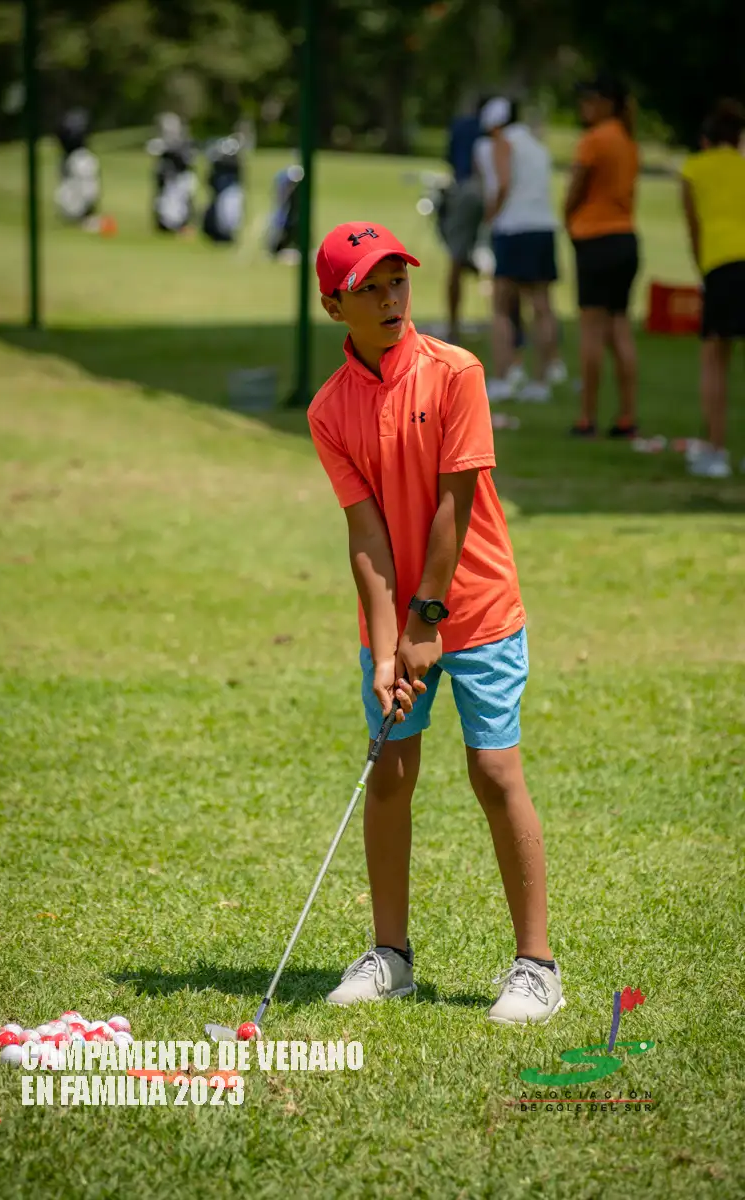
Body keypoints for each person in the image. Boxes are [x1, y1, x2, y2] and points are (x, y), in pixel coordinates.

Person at [307, 221, 564, 1026]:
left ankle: (537, 966)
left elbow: (455, 505)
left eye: (398, 282)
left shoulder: (456, 372)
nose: (391, 299)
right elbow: (366, 536)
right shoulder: (328, 410)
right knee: (389, 771)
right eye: (370, 289)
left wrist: (426, 620)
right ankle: (390, 957)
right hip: (398, 622)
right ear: (334, 305)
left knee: (494, 772)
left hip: (476, 608)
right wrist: (388, 650)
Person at [475, 100, 567, 401]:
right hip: (544, 228)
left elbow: (503, 184)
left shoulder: (503, 143)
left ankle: (502, 378)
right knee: (542, 306)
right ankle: (541, 381)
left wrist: (490, 216)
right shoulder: (537, 146)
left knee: (501, 307)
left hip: (513, 228)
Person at [564, 75, 640, 438]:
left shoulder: (594, 140)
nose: (584, 107)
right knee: (620, 326)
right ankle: (627, 416)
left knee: (592, 331)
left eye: (590, 100)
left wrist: (568, 217)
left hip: (595, 239)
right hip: (626, 239)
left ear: (607, 103)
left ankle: (587, 417)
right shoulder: (628, 141)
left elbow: (576, 189)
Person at [680, 99, 745, 478]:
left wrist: (703, 267)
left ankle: (716, 450)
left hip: (721, 265)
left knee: (715, 360)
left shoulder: (694, 167)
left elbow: (694, 227)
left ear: (706, 140)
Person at [441, 106, 485, 343]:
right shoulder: (499, 130)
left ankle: (453, 328)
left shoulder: (461, 124)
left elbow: (451, 159)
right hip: (491, 190)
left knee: (456, 259)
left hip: (466, 188)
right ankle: (513, 328)